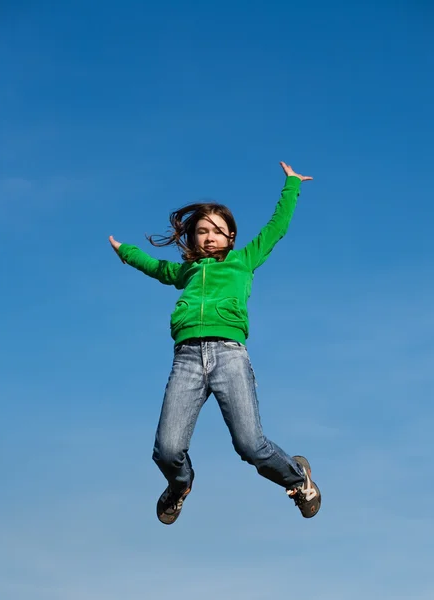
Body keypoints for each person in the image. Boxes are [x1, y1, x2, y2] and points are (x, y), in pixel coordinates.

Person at [109, 161, 321, 525]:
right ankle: (179, 485)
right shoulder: (186, 271)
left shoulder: (243, 261)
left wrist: (291, 186)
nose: (209, 236)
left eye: (217, 231)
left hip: (229, 356)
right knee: (167, 450)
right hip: (187, 358)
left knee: (251, 445)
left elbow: (276, 228)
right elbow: (155, 267)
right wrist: (125, 251)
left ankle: (299, 480)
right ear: (193, 238)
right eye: (202, 230)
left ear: (231, 238)